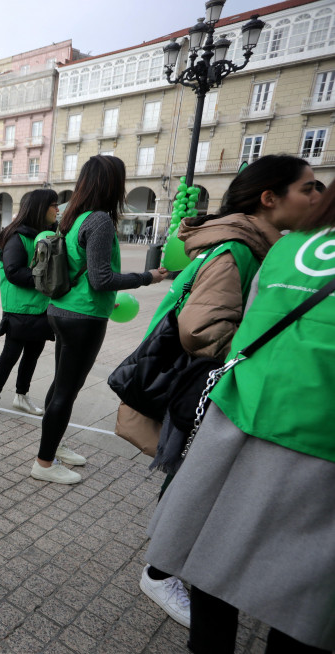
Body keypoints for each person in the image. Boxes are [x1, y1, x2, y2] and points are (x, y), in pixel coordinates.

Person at [121, 155, 321, 627]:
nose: (318, 196)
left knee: (194, 470)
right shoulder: (240, 249)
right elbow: (199, 327)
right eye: (308, 188)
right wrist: (257, 356)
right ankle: (161, 569)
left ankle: (172, 562)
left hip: (210, 380)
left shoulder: (256, 243)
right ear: (270, 198)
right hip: (209, 381)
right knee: (193, 471)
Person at [35, 155, 168, 485]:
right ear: (113, 185)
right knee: (67, 390)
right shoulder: (100, 222)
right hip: (84, 316)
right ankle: (44, 462)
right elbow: (101, 279)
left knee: (61, 386)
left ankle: (52, 446)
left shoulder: (71, 217)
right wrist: (147, 276)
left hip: (60, 310)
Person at [0, 189, 58, 419]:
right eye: (54, 205)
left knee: (32, 355)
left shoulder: (50, 234)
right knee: (10, 355)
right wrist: (47, 281)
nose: (58, 210)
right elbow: (13, 272)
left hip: (42, 307)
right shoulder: (17, 236)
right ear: (41, 208)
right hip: (19, 309)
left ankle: (21, 396)